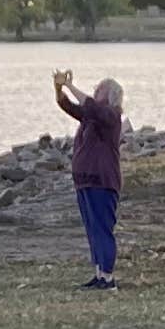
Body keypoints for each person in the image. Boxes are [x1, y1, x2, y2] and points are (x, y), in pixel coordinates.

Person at [50, 67, 124, 287]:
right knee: (93, 230)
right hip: (85, 181)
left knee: (102, 229)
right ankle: (99, 274)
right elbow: (68, 106)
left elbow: (90, 105)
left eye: (99, 89)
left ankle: (108, 278)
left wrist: (71, 85)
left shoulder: (111, 116)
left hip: (102, 181)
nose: (94, 92)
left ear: (109, 94)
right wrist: (58, 88)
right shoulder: (91, 119)